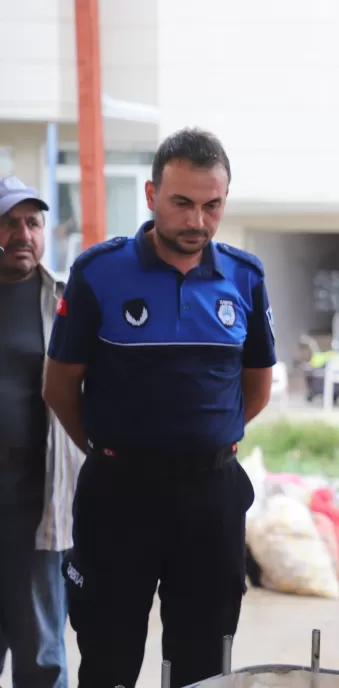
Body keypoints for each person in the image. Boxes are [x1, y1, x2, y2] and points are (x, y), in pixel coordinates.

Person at [42, 128, 276, 688]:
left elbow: (256, 389)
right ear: (151, 195)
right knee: (108, 655)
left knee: (204, 664)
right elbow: (60, 387)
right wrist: (108, 447)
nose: (197, 220)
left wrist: (202, 442)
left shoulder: (245, 277)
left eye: (212, 205)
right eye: (182, 203)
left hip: (211, 499)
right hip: (118, 498)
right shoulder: (98, 272)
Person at [0, 176, 83, 688]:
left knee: (41, 651)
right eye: (10, 222)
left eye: (32, 223)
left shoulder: (65, 302)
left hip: (37, 501)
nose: (23, 234)